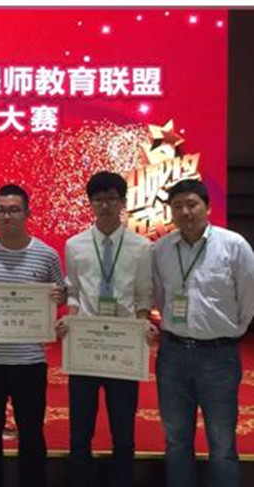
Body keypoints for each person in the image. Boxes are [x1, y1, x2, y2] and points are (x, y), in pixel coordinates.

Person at [153, 178, 254, 487]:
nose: (185, 212)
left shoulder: (233, 245)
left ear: (207, 207)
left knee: (222, 444)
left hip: (219, 356)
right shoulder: (161, 249)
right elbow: (159, 296)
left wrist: (230, 331)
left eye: (192, 204)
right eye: (177, 206)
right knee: (176, 440)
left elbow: (248, 297)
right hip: (172, 355)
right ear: (171, 212)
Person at [0, 184, 65, 487]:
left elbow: (60, 294)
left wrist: (58, 297)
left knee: (32, 434)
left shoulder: (46, 255)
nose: (7, 216)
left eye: (14, 210)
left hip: (29, 361)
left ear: (27, 213)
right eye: (1, 210)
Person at [60, 171, 155, 487]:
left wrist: (143, 328)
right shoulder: (75, 245)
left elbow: (143, 296)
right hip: (86, 346)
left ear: (123, 202)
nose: (105, 205)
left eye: (112, 199)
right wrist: (71, 320)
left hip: (123, 347)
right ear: (90, 203)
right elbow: (74, 292)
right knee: (79, 432)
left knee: (123, 433)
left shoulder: (142, 247)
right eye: (98, 199)